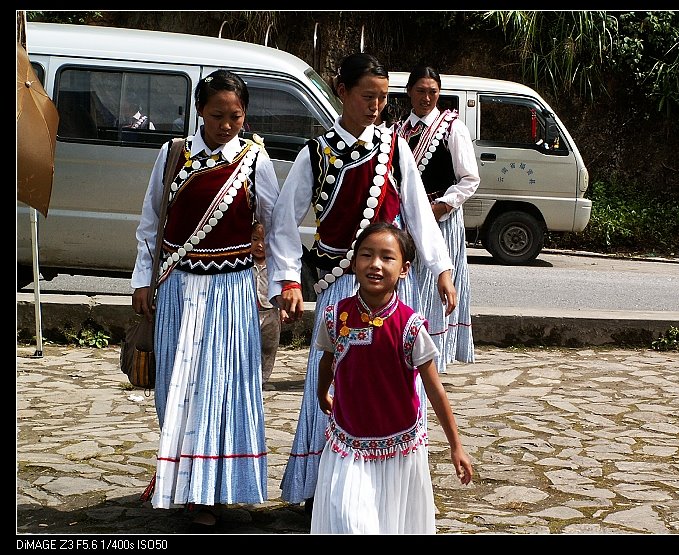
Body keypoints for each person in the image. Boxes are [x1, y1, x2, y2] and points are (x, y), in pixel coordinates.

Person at [267, 53, 457, 513]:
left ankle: (397, 485)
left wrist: (441, 270)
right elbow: (283, 223)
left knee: (395, 384)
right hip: (339, 289)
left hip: (391, 294)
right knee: (329, 385)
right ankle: (321, 488)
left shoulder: (395, 148)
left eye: (382, 98)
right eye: (367, 96)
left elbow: (416, 212)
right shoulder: (317, 152)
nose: (376, 106)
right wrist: (289, 278)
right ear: (343, 91)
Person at [131, 69, 279, 531]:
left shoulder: (255, 160)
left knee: (221, 388)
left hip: (231, 290)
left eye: (236, 116)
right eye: (217, 115)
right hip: (177, 289)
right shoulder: (173, 155)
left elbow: (275, 226)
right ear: (200, 111)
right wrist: (142, 280)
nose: (226, 125)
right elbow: (151, 221)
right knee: (176, 387)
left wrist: (279, 283)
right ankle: (175, 472)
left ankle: (209, 490)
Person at [310, 222, 473, 534]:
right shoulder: (335, 318)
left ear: (404, 269)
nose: (375, 264)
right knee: (349, 520)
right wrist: (321, 393)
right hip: (349, 442)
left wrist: (456, 446)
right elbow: (327, 362)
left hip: (399, 445)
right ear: (354, 261)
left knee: (391, 524)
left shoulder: (411, 327)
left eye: (387, 257)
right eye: (367, 255)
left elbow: (434, 389)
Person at [395, 65, 480, 373]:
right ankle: (406, 350)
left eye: (432, 92)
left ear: (439, 94)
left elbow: (469, 179)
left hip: (441, 222)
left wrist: (442, 206)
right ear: (409, 93)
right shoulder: (399, 131)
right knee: (409, 285)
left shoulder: (452, 128)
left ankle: (433, 360)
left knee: (435, 286)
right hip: (408, 224)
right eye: (420, 91)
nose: (426, 97)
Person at [251, 219, 282, 387]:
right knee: (250, 346)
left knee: (269, 347)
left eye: (264, 240)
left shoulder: (274, 265)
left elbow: (281, 288)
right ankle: (249, 378)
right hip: (251, 313)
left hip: (271, 312)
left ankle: (263, 378)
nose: (260, 245)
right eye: (255, 239)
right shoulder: (246, 265)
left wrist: (283, 309)